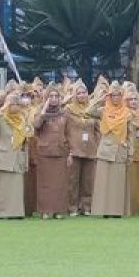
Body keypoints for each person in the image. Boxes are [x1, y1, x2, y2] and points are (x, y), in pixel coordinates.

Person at [0, 89, 31, 219]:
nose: (14, 106)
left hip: (17, 156)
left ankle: (17, 213)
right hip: (3, 156)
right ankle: (3, 213)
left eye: (17, 104)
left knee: (16, 188)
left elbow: (26, 140)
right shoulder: (0, 118)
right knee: (3, 187)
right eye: (11, 104)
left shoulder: (22, 119)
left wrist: (26, 160)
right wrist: (2, 108)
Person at [90, 84, 131, 218]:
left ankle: (116, 211)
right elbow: (89, 111)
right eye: (113, 95)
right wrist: (101, 98)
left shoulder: (127, 113)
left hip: (120, 148)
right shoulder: (103, 110)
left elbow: (130, 134)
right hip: (106, 149)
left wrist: (130, 152)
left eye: (118, 95)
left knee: (117, 183)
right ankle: (102, 210)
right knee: (103, 182)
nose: (116, 98)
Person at [32, 88, 70, 219]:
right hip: (45, 152)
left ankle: (58, 210)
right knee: (45, 183)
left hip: (61, 151)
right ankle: (46, 210)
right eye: (51, 96)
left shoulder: (64, 114)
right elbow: (36, 125)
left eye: (56, 96)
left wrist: (70, 152)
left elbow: (68, 133)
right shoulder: (40, 112)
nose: (54, 98)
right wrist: (44, 109)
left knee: (60, 183)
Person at [63, 85, 99, 215]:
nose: (82, 95)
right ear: (74, 95)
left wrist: (97, 146)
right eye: (78, 93)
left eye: (84, 92)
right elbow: (64, 130)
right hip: (74, 149)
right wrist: (67, 148)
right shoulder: (68, 110)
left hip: (90, 149)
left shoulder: (93, 110)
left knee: (88, 181)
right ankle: (72, 207)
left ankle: (86, 207)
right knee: (73, 180)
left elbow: (97, 130)